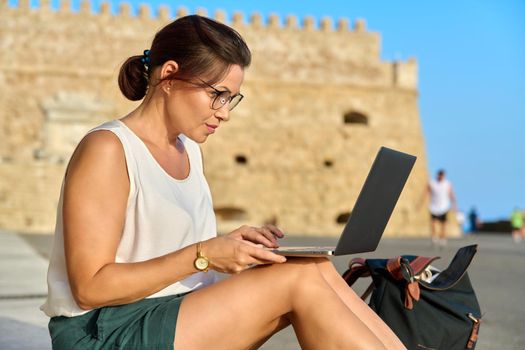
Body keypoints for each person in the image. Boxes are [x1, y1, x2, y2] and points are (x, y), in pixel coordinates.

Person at [41, 15, 405, 350]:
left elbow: (167, 252)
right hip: (103, 331)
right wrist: (203, 255)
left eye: (232, 98)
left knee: (312, 267)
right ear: (169, 75)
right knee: (296, 282)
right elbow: (89, 287)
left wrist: (229, 246)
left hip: (172, 312)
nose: (225, 113)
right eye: (217, 94)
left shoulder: (188, 150)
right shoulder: (108, 148)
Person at [427, 169, 457, 247]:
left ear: (444, 175)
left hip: (444, 206)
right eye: (439, 174)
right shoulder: (432, 183)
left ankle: (442, 238)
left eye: (442, 175)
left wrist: (454, 205)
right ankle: (434, 237)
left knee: (444, 224)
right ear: (438, 175)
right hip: (434, 206)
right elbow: (426, 193)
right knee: (433, 223)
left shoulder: (447, 184)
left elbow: (451, 194)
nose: (440, 176)